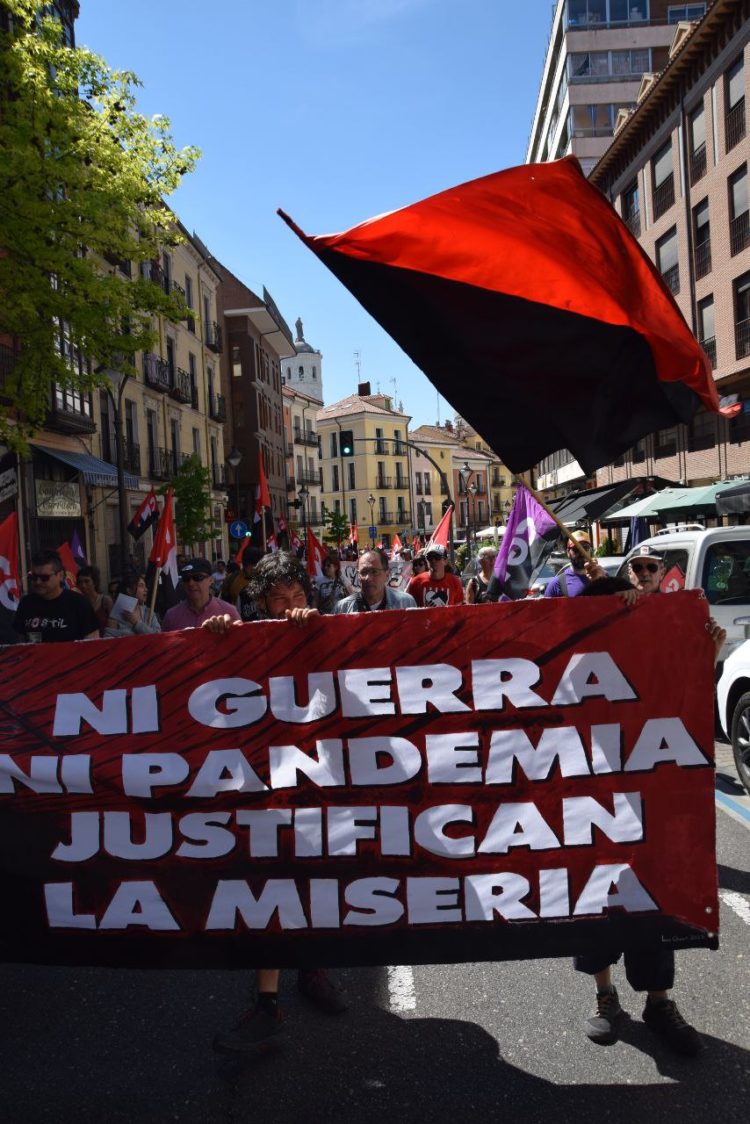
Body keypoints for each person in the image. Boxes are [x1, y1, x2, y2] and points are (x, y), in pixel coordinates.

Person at [573, 572, 726, 1057]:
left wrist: (706, 649)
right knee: (595, 898)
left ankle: (659, 1003)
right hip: (586, 804)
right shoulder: (567, 657)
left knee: (650, 895)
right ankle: (604, 997)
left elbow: (682, 687)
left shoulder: (646, 650)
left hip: (645, 801)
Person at [203, 553, 346, 1057]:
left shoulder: (321, 632)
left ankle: (313, 970)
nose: (290, 608)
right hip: (262, 779)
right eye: (279, 600)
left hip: (316, 775)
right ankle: (267, 1003)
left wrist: (317, 632)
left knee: (315, 874)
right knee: (270, 880)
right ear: (261, 603)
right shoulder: (244, 636)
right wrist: (219, 636)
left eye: (298, 598)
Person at [14, 550, 99, 643]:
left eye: (44, 578)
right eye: (34, 577)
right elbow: (20, 643)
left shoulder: (78, 603)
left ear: (60, 575)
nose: (38, 582)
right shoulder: (26, 603)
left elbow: (93, 644)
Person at [161, 558, 240, 631]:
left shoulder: (229, 611)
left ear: (210, 580)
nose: (191, 583)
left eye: (197, 577)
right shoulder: (171, 616)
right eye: (186, 578)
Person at [335, 549, 416, 613]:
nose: (368, 578)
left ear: (387, 574)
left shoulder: (406, 603)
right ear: (358, 576)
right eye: (363, 572)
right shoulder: (343, 608)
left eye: (374, 572)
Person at [104, 570, 160, 637]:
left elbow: (158, 636)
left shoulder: (148, 612)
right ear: (129, 590)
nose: (146, 589)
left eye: (145, 586)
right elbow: (108, 639)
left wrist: (136, 623)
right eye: (141, 586)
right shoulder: (116, 615)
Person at [544, 529, 594, 598]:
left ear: (590, 550)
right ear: (568, 552)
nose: (582, 552)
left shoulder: (602, 578)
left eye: (585, 548)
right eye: (576, 549)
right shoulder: (556, 585)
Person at [75, 565, 113, 635]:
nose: (83, 585)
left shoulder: (105, 601)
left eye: (87, 581)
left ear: (95, 582)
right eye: (80, 582)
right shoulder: (78, 603)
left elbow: (113, 627)